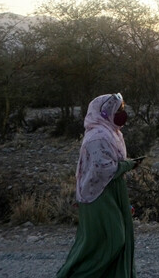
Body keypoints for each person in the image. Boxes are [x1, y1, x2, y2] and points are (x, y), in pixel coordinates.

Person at [57, 93, 142, 278]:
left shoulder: (112, 132)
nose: (122, 113)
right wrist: (128, 165)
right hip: (97, 193)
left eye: (122, 109)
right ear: (105, 112)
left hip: (111, 189)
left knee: (112, 238)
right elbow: (104, 169)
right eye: (118, 109)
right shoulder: (97, 136)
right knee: (113, 239)